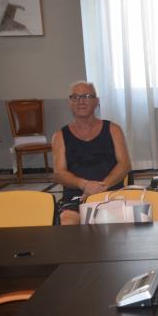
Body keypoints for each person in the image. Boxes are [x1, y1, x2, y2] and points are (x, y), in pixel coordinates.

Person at [52, 81, 131, 225]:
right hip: (76, 197)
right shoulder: (59, 136)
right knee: (67, 222)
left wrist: (100, 187)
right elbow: (59, 174)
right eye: (75, 97)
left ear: (97, 102)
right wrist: (84, 185)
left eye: (87, 96)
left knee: (118, 224)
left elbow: (124, 165)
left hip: (111, 194)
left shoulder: (113, 129)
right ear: (70, 102)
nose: (80, 101)